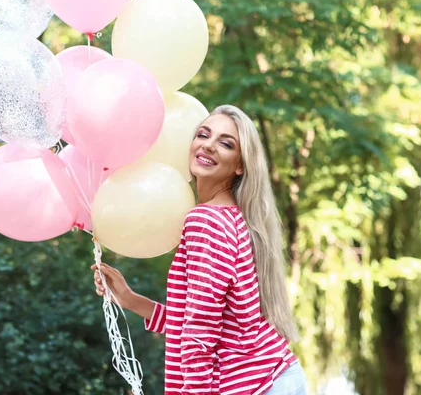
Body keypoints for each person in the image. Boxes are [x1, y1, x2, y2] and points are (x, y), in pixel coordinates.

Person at [91, 105, 307, 395]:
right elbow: (203, 319)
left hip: (256, 386)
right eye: (203, 135)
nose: (208, 145)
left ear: (240, 165)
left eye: (226, 143)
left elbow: (200, 332)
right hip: (275, 377)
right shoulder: (234, 216)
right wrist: (130, 300)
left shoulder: (206, 220)